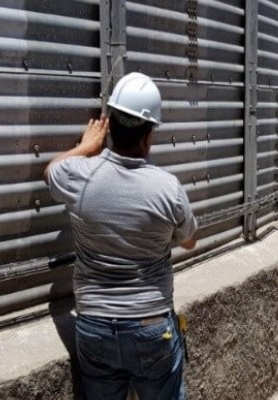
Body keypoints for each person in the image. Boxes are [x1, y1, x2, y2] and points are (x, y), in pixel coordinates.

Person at [44, 72, 197, 400]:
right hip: (151, 326)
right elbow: (189, 240)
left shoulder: (80, 176)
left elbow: (50, 171)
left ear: (109, 125)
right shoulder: (167, 188)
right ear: (149, 135)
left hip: (94, 327)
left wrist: (85, 147)